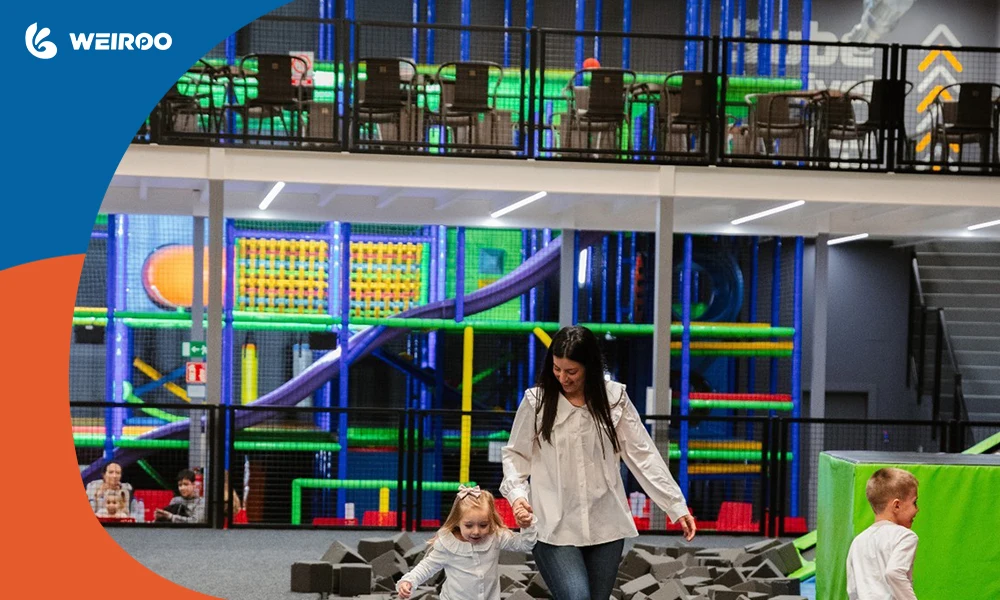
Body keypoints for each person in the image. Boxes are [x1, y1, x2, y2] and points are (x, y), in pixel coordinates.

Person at [501, 325, 696, 600]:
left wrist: (675, 504)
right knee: (577, 596)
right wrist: (518, 496)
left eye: (571, 372)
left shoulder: (615, 399)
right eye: (557, 369)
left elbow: (643, 454)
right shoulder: (537, 402)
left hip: (605, 522)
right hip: (551, 525)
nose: (563, 378)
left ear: (590, 367)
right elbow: (515, 455)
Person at [396, 486, 536, 600]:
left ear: (491, 521)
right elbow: (427, 567)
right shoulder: (447, 544)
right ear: (457, 522)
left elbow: (525, 544)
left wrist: (527, 525)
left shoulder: (495, 537)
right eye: (469, 525)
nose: (476, 531)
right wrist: (409, 581)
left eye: (483, 525)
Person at [847, 467, 920, 600]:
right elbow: (894, 573)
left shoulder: (858, 540)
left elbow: (853, 588)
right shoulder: (905, 536)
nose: (917, 509)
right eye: (914, 502)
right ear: (896, 506)